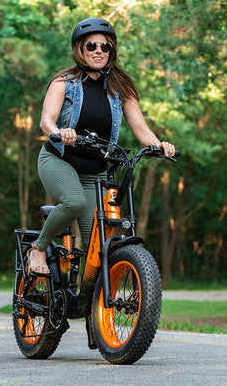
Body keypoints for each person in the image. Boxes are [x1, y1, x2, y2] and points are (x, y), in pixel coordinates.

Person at [27, 17, 175, 275]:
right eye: (92, 45)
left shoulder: (121, 88)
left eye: (105, 47)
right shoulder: (63, 83)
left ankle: (87, 303)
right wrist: (60, 133)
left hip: (95, 173)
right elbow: (46, 121)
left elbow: (141, 130)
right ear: (80, 49)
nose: (98, 51)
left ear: (111, 51)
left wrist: (159, 145)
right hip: (59, 160)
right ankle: (38, 248)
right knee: (73, 202)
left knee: (99, 246)